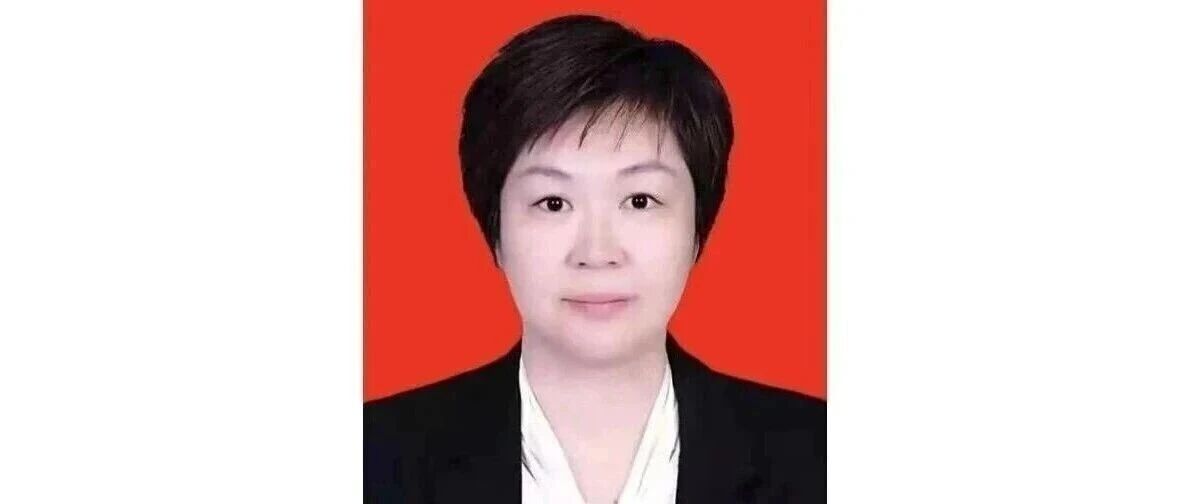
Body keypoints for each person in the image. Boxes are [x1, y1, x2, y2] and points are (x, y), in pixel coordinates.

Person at [364, 14, 824, 503]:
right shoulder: (369, 456)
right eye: (553, 203)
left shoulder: (823, 454)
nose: (597, 252)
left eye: (640, 201)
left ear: (696, 229)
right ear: (496, 231)